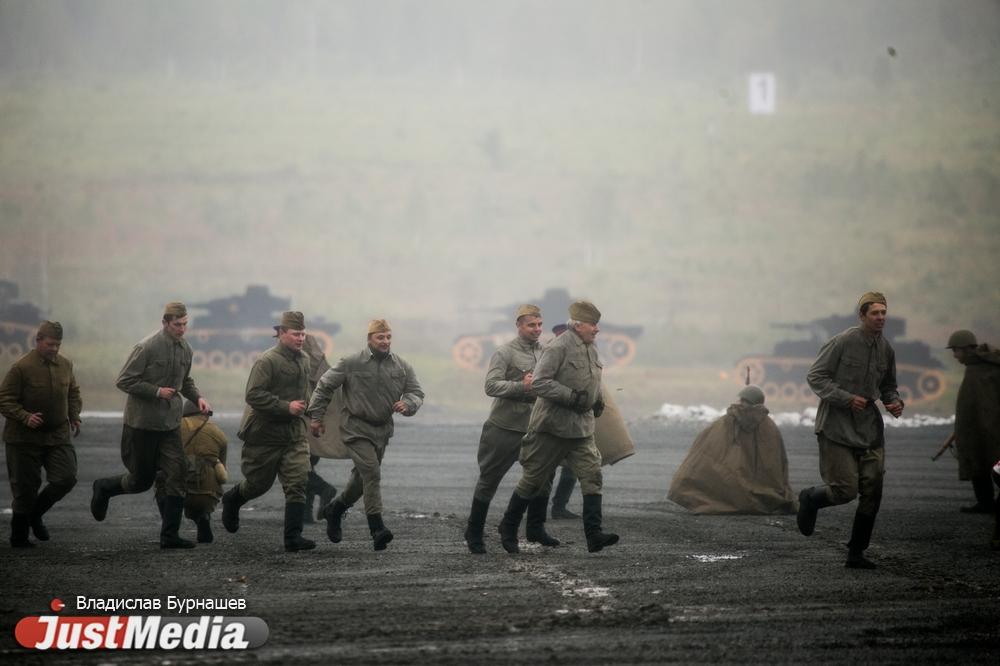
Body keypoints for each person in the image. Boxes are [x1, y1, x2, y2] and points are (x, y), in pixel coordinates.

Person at [497, 301, 619, 554]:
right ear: (578, 325)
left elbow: (593, 380)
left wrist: (597, 401)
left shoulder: (591, 348)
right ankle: (508, 528)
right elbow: (540, 383)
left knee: (592, 476)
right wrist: (571, 397)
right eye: (592, 324)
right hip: (551, 428)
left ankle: (594, 535)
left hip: (581, 430)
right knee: (533, 481)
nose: (597, 329)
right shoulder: (558, 346)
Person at [91, 302, 211, 549]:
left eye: (185, 324)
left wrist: (197, 397)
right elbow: (124, 381)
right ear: (165, 322)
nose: (182, 329)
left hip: (168, 425)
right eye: (177, 325)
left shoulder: (186, 349)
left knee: (177, 474)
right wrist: (156, 391)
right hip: (142, 424)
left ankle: (169, 536)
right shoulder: (146, 347)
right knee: (142, 480)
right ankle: (104, 488)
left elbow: (185, 380)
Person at [797, 292, 904, 569]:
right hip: (837, 427)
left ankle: (856, 553)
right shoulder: (842, 342)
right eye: (874, 313)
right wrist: (846, 398)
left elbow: (888, 384)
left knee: (873, 493)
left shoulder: (886, 349)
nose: (880, 318)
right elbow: (816, 376)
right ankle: (810, 499)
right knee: (844, 490)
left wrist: (893, 401)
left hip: (869, 429)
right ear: (862, 315)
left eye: (883, 313)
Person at [307, 319, 424, 551]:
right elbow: (324, 385)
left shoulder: (401, 366)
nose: (385, 341)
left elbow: (416, 392)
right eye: (380, 337)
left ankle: (335, 509)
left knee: (361, 481)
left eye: (389, 337)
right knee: (372, 472)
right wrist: (316, 417)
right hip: (355, 428)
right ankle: (377, 528)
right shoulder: (351, 362)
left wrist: (408, 404)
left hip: (381, 430)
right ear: (370, 338)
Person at [463, 304, 559, 554]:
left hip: (536, 427)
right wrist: (521, 387)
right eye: (531, 325)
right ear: (519, 326)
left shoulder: (547, 351)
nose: (537, 329)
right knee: (489, 480)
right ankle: (474, 532)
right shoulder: (505, 353)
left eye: (539, 324)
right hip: (505, 427)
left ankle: (536, 528)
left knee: (543, 478)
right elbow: (491, 386)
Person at [220, 311, 316, 552]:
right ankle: (233, 499)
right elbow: (253, 395)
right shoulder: (267, 361)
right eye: (296, 334)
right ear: (282, 333)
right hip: (265, 435)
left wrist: (314, 416)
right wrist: (286, 407)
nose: (301, 338)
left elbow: (305, 395)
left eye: (303, 333)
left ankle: (293, 538)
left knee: (298, 481)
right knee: (258, 484)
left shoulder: (304, 359)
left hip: (293, 435)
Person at [0, 321, 81, 548]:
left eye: (58, 344)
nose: (54, 348)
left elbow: (73, 393)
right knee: (25, 488)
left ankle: (36, 514)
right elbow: (4, 399)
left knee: (66, 477)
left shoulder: (65, 365)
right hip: (24, 438)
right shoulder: (21, 367)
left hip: (57, 435)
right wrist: (25, 416)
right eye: (50, 344)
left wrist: (74, 415)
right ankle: (19, 536)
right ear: (38, 341)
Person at [667, 385, 797, 514]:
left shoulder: (727, 421)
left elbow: (705, 450)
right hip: (762, 488)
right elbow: (776, 462)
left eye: (741, 400)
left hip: (730, 481)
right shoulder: (769, 427)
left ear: (743, 401)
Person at [153, 400, 228, 543]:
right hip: (206, 495)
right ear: (205, 413)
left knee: (160, 479)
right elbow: (223, 471)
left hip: (175, 493)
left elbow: (158, 460)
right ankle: (202, 516)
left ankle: (168, 523)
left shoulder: (172, 429)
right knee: (212, 473)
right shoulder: (219, 434)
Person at [945, 330, 1000, 515]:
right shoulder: (974, 366)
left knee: (989, 462)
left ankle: (988, 503)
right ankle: (985, 502)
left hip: (990, 426)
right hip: (976, 426)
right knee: (978, 462)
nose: (954, 355)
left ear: (967, 349)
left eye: (956, 350)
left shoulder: (986, 367)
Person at [301, 333, 338, 523]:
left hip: (301, 427)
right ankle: (305, 514)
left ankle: (325, 489)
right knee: (306, 468)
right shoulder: (323, 367)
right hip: (317, 429)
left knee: (297, 469)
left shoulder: (296, 364)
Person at [547, 322, 580, 521]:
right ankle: (539, 505)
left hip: (572, 419)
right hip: (550, 418)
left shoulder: (580, 354)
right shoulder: (548, 353)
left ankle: (559, 506)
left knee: (572, 465)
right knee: (546, 466)